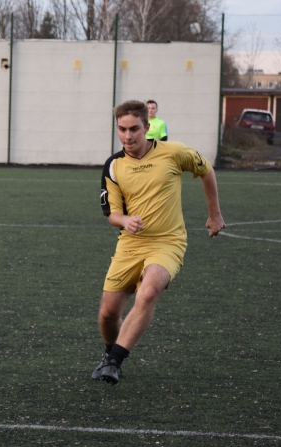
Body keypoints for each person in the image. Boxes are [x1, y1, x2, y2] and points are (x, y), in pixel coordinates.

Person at [94, 100, 225, 385]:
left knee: (149, 292)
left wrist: (214, 214)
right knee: (107, 315)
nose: (128, 136)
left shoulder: (174, 152)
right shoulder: (114, 166)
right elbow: (112, 213)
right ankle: (108, 353)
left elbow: (206, 170)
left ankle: (114, 361)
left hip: (168, 242)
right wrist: (124, 221)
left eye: (134, 129)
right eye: (122, 129)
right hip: (130, 244)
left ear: (147, 127)